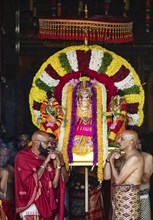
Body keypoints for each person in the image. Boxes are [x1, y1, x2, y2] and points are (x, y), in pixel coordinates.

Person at [14, 129, 67, 219]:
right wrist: (46, 161)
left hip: (47, 205)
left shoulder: (45, 157)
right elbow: (28, 182)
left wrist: (58, 164)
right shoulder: (22, 157)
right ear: (37, 142)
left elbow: (54, 185)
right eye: (47, 143)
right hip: (32, 206)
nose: (49, 145)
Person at [104, 130, 144, 219]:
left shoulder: (134, 158)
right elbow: (107, 177)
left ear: (130, 142)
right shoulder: (124, 157)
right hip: (119, 200)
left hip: (129, 202)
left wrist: (111, 161)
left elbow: (118, 181)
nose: (118, 141)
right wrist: (108, 158)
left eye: (121, 139)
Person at [0, 140, 18, 220]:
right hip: (2, 205)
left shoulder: (11, 168)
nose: (3, 158)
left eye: (5, 156)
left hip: (14, 205)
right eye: (0, 155)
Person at [136, 137, 153, 220]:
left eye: (139, 143)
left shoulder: (147, 157)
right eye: (134, 143)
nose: (137, 146)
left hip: (142, 195)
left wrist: (137, 162)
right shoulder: (124, 157)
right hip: (126, 196)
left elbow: (145, 179)